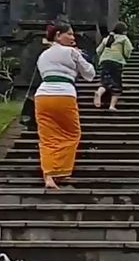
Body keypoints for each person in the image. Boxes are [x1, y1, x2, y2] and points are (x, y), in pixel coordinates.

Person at [35, 22, 97, 189]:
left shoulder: (43, 55)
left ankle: (49, 175)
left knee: (47, 137)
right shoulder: (71, 52)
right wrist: (79, 56)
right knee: (71, 134)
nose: (72, 37)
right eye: (69, 34)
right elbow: (90, 74)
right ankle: (62, 171)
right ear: (57, 35)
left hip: (42, 95)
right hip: (64, 94)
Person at [94, 21, 134, 111]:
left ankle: (99, 93)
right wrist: (125, 57)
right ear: (123, 31)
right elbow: (128, 50)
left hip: (105, 61)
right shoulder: (124, 38)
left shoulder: (107, 38)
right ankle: (112, 106)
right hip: (116, 61)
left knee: (105, 81)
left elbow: (98, 50)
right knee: (116, 84)